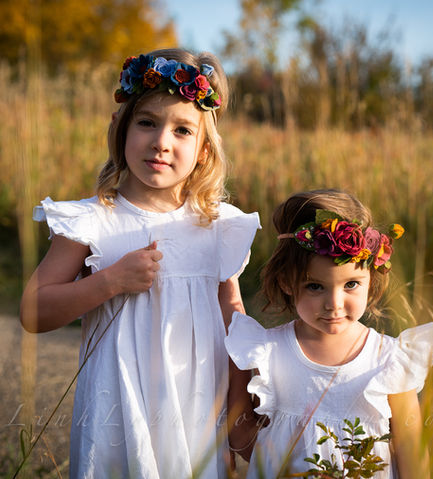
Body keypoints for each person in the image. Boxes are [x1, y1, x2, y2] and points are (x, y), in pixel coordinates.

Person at [20, 48, 260, 478]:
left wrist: (239, 418)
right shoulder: (92, 221)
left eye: (182, 130)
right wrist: (109, 281)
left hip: (198, 407)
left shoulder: (217, 227)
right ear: (120, 128)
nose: (161, 142)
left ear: (204, 150)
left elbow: (233, 322)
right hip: (118, 407)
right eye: (147, 122)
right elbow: (33, 312)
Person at [225, 189, 433, 479]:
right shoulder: (266, 352)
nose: (334, 304)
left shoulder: (389, 359)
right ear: (287, 282)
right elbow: (240, 433)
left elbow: (411, 448)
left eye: (351, 284)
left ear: (371, 278)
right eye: (315, 286)